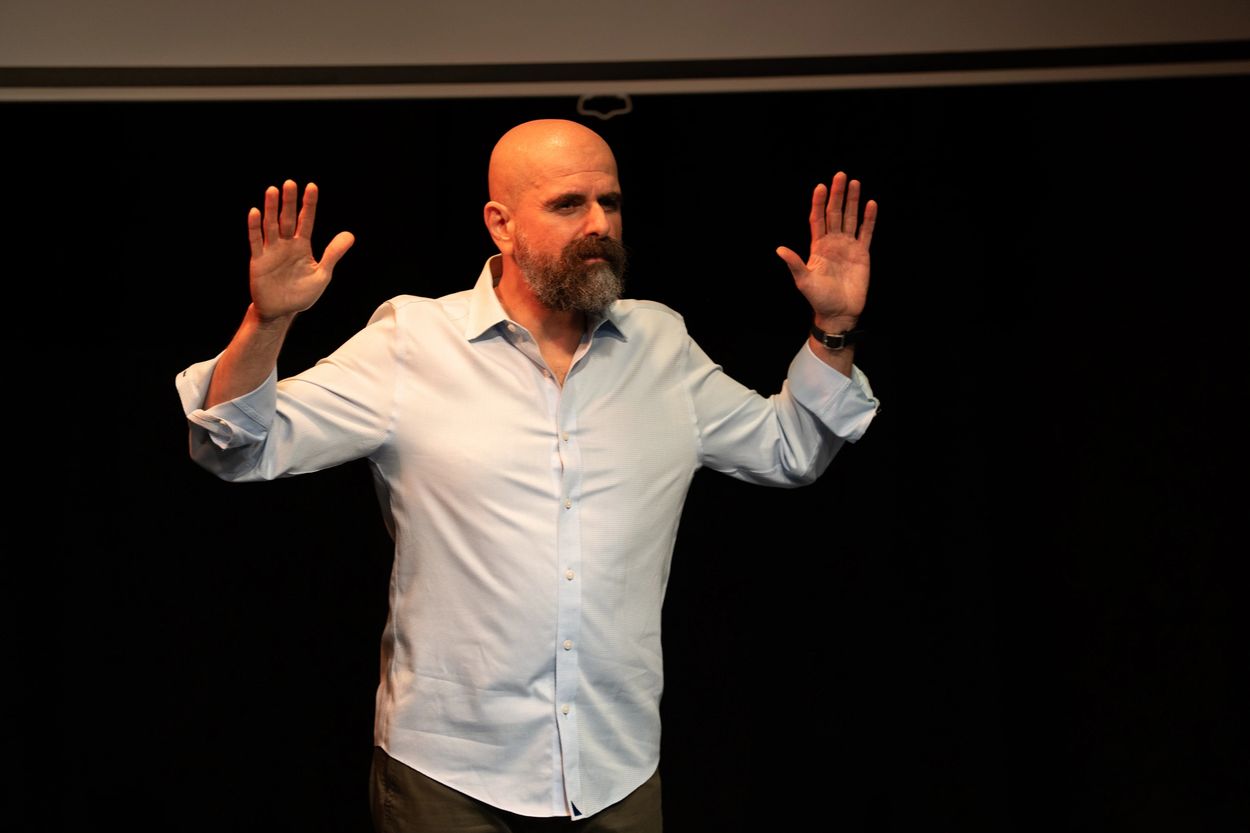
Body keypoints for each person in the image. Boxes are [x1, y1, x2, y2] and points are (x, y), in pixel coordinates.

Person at [177, 118, 880, 832]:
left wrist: (834, 329)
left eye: (611, 202)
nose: (600, 223)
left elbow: (792, 447)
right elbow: (233, 447)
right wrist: (266, 322)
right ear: (501, 225)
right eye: (570, 204)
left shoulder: (660, 345)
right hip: (450, 777)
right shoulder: (413, 342)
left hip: (616, 770)